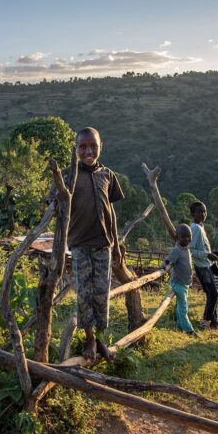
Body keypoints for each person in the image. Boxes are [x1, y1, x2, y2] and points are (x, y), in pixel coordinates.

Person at [60, 126, 124, 361]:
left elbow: (112, 212)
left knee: (101, 294)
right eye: (83, 147)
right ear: (76, 149)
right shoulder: (69, 175)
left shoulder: (107, 175)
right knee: (84, 294)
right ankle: (88, 340)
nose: (88, 151)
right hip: (79, 244)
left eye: (93, 146)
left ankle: (99, 339)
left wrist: (116, 244)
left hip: (104, 244)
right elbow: (55, 205)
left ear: (100, 147)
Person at [189, 201, 218, 329]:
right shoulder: (195, 228)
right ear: (193, 213)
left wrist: (212, 261)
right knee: (213, 293)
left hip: (206, 265)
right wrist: (207, 255)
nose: (203, 214)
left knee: (212, 294)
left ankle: (214, 322)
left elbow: (204, 247)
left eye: (205, 211)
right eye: (200, 211)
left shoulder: (201, 226)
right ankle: (205, 321)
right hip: (202, 267)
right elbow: (190, 250)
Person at [164, 224, 197, 336]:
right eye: (183, 236)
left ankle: (179, 325)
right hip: (178, 283)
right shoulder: (177, 250)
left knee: (181, 306)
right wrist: (163, 267)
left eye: (189, 236)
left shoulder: (186, 249)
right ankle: (189, 330)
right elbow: (168, 260)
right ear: (178, 237)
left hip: (184, 283)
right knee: (183, 308)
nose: (187, 239)